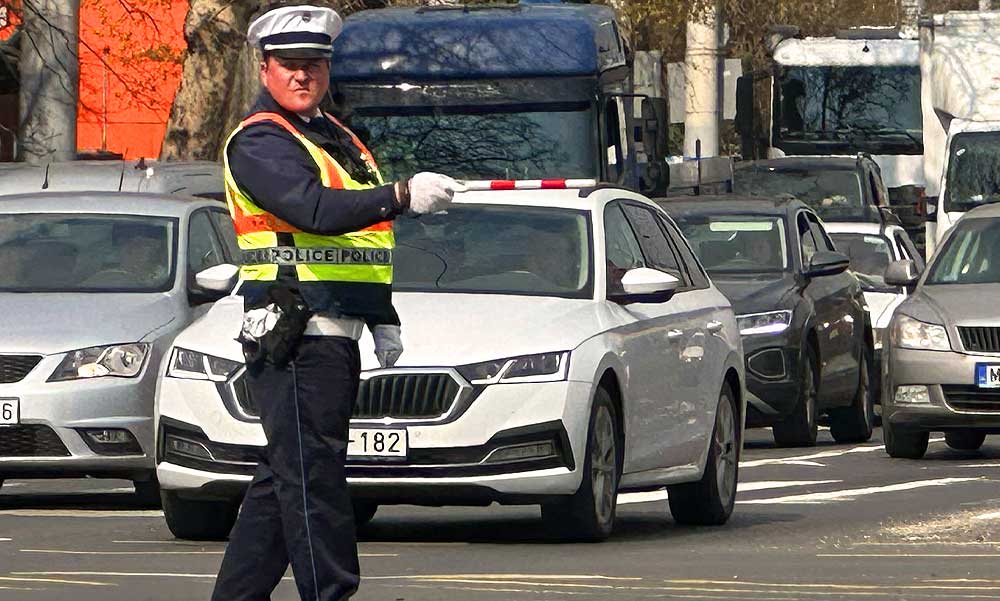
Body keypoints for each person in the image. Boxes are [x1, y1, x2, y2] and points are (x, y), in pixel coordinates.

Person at [211, 6, 462, 601]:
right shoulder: (260, 141)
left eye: (315, 65)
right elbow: (315, 212)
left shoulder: (336, 136)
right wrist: (401, 193)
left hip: (332, 331)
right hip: (294, 332)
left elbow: (364, 243)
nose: (303, 77)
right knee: (313, 479)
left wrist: (382, 317)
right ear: (265, 68)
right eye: (291, 66)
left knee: (285, 478)